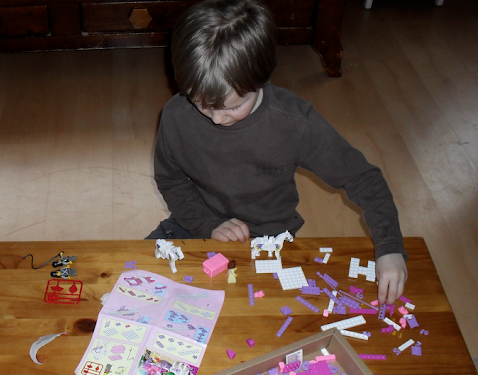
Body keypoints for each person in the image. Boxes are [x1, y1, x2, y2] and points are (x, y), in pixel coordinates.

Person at [146, 0, 407, 305]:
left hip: (266, 238)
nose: (216, 119)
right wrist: (207, 224)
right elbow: (171, 181)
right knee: (136, 286)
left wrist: (390, 247)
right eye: (200, 103)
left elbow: (363, 179)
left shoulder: (294, 123)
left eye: (232, 107)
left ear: (261, 79)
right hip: (193, 222)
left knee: (253, 314)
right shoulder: (176, 116)